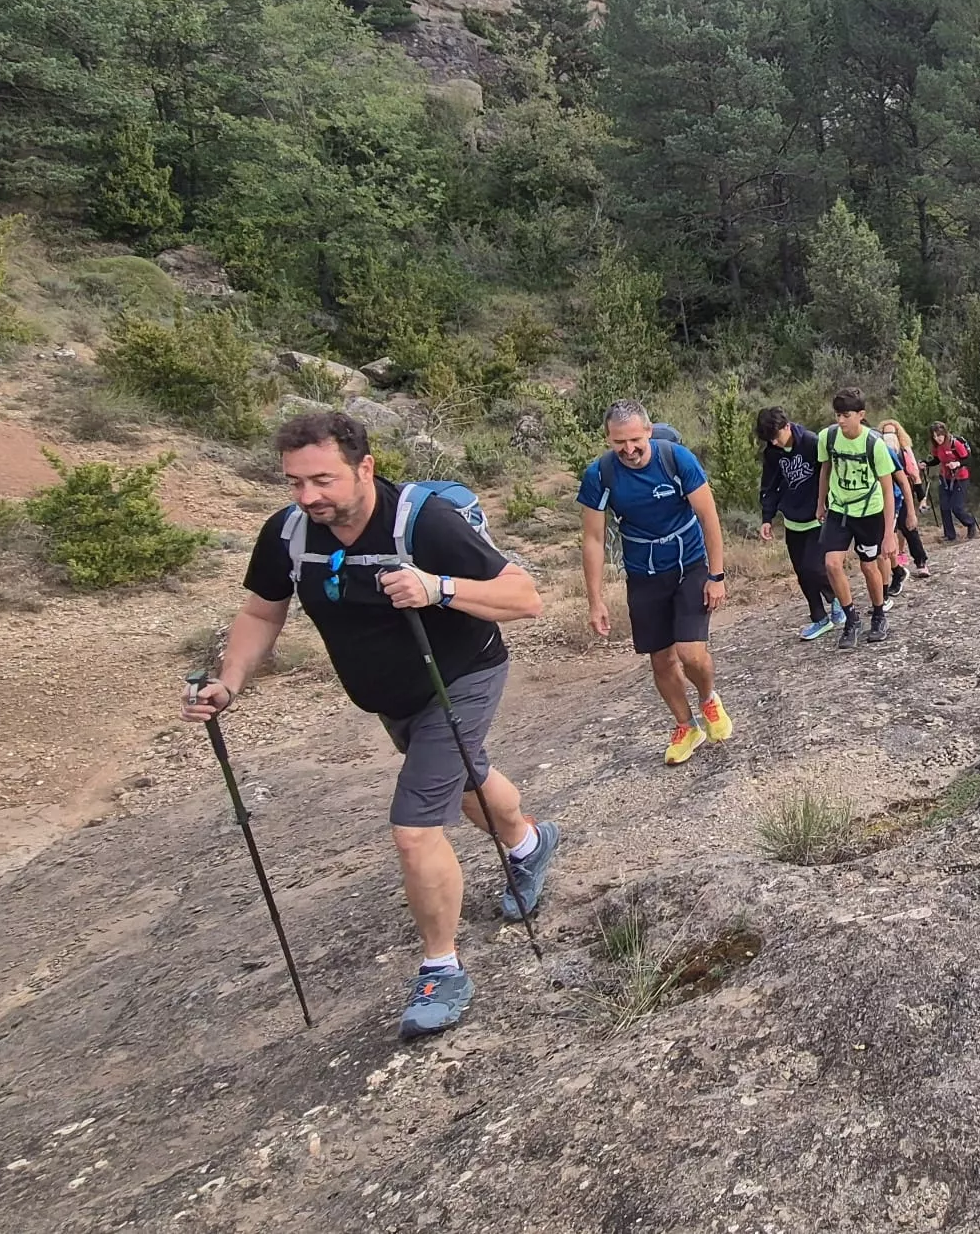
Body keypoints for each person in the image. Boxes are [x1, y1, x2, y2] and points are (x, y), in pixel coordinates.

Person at [181, 410, 554, 1040]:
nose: (308, 497)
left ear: (365, 467)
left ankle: (442, 969)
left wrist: (436, 587)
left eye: (322, 480)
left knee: (414, 827)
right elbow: (261, 611)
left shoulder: (424, 521)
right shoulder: (288, 534)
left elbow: (525, 596)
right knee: (466, 780)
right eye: (296, 483)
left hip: (460, 677)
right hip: (394, 698)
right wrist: (230, 682)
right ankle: (527, 844)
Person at [578, 400, 734, 767]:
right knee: (661, 659)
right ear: (608, 439)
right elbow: (593, 540)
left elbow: (708, 517)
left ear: (648, 431)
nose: (628, 450)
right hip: (644, 573)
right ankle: (686, 726)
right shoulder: (600, 474)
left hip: (689, 564)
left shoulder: (676, 459)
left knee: (690, 653)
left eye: (635, 439)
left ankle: (709, 699)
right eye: (619, 443)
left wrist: (716, 575)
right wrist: (595, 601)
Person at [818, 388, 913, 648]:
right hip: (839, 510)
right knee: (832, 564)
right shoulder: (827, 438)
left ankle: (879, 614)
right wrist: (821, 504)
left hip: (869, 512)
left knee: (869, 565)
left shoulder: (875, 445)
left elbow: (887, 491)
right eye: (837, 414)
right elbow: (825, 470)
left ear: (861, 415)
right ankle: (851, 619)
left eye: (846, 415)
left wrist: (888, 536)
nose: (840, 420)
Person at [756, 407, 841, 642]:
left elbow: (829, 475)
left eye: (776, 436)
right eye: (769, 439)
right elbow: (769, 486)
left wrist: (826, 504)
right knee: (802, 572)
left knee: (816, 567)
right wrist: (767, 518)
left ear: (787, 426)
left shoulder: (812, 443)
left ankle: (838, 600)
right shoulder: (772, 452)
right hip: (793, 520)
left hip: (817, 517)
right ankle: (819, 618)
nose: (774, 442)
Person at [877, 419, 932, 591]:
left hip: (900, 494)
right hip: (885, 498)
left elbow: (914, 475)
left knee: (909, 529)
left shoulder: (903, 452)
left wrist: (920, 498)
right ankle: (897, 568)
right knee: (890, 535)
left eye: (892, 433)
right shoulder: (879, 450)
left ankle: (920, 561)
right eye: (886, 433)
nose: (889, 437)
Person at [928, 423, 978, 542]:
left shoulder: (954, 443)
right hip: (945, 478)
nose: (937, 439)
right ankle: (950, 535)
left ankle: (970, 523)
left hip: (960, 478)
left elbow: (968, 459)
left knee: (957, 507)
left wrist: (957, 464)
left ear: (945, 433)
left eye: (939, 435)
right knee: (944, 506)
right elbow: (937, 459)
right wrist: (926, 463)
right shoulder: (937, 446)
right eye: (934, 436)